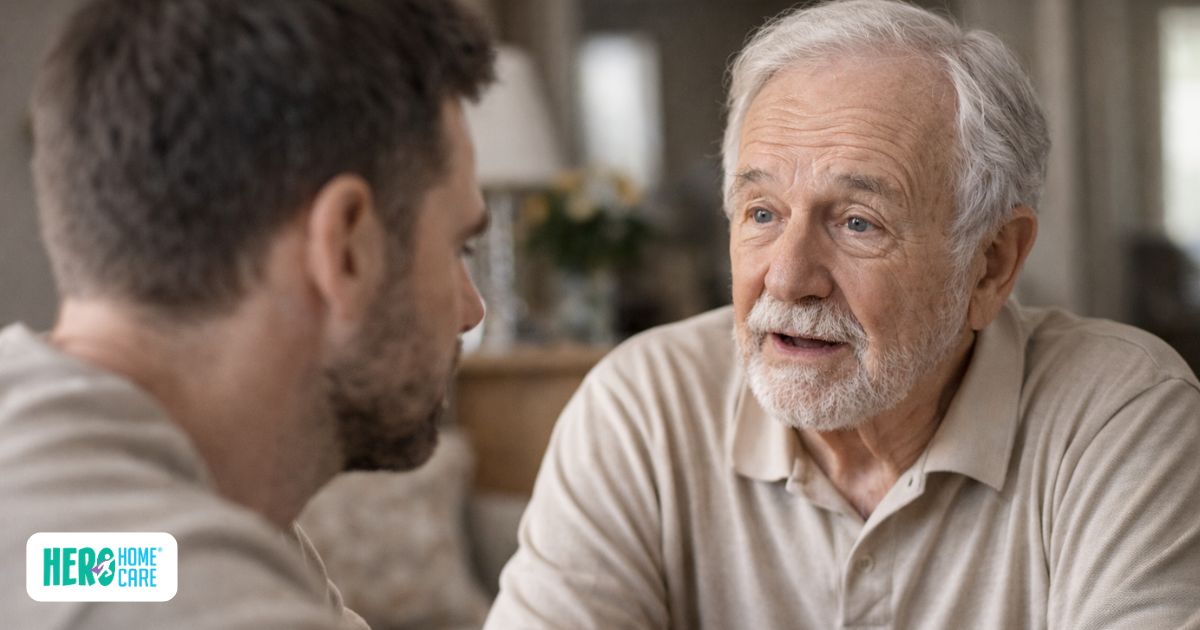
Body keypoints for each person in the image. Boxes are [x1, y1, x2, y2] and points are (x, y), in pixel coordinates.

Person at [485, 1, 1200, 628]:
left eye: (858, 222)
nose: (787, 277)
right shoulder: (643, 408)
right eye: (762, 213)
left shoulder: (1121, 416)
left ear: (991, 263)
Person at [1, 0, 493, 628]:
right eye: (457, 248)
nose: (471, 310)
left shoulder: (133, 538)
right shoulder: (189, 598)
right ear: (346, 249)